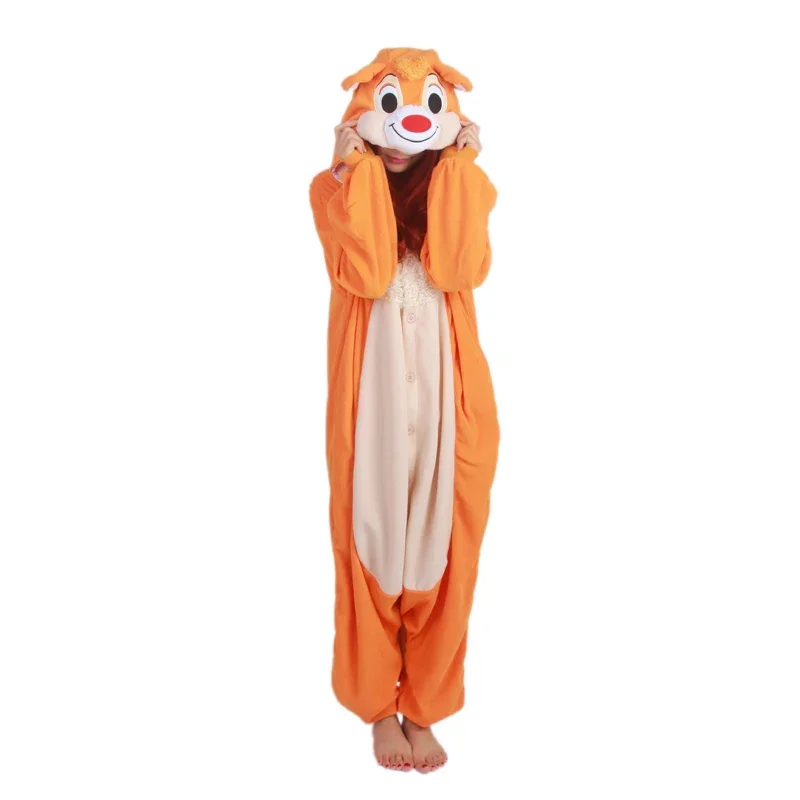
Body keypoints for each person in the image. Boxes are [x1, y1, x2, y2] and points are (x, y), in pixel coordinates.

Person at [309, 48, 499, 773]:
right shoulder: (332, 191)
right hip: (375, 402)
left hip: (450, 398)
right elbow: (368, 271)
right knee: (375, 538)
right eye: (388, 108)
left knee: (443, 545)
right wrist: (352, 171)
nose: (402, 131)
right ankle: (378, 708)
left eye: (423, 111)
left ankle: (423, 705)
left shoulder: (460, 189)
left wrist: (459, 168)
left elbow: (456, 266)